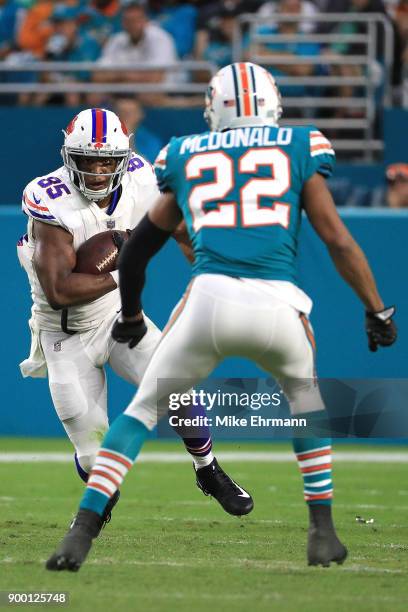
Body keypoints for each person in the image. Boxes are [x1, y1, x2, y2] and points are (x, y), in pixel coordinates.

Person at [46, 64, 397, 572]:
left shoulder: (183, 152)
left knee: (144, 410)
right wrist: (376, 309)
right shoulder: (301, 144)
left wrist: (131, 313)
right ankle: (322, 530)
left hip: (208, 297)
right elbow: (337, 239)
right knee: (306, 400)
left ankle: (82, 532)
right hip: (278, 299)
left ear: (214, 107)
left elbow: (139, 248)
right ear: (273, 104)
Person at [17, 107, 254, 537]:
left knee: (177, 386)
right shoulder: (49, 199)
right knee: (94, 458)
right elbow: (60, 290)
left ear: (123, 159)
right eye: (88, 160)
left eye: (107, 160)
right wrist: (126, 268)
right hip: (64, 333)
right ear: (70, 158)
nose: (98, 170)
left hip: (116, 317)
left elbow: (180, 229)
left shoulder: (143, 178)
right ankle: (102, 496)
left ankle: (208, 469)